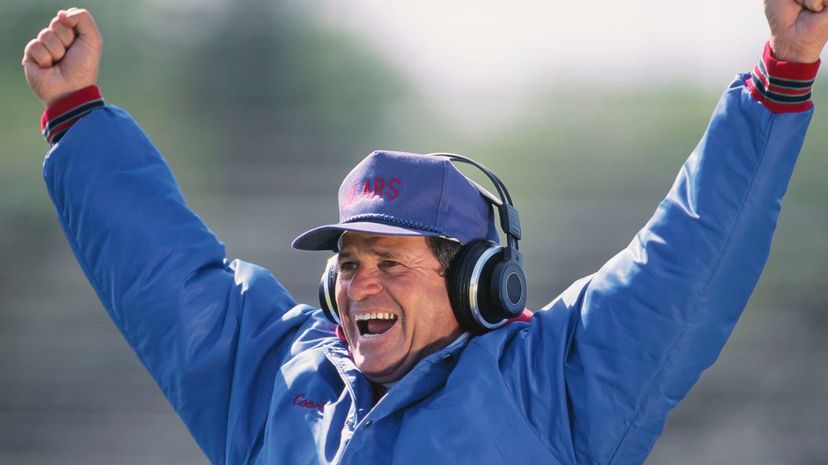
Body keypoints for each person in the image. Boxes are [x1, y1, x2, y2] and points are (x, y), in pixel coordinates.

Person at [21, 2, 828, 464]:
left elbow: (691, 251)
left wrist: (783, 72)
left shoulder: (557, 382)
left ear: (477, 280)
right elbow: (166, 273)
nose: (357, 284)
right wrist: (78, 114)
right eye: (347, 262)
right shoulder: (277, 379)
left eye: (388, 260)